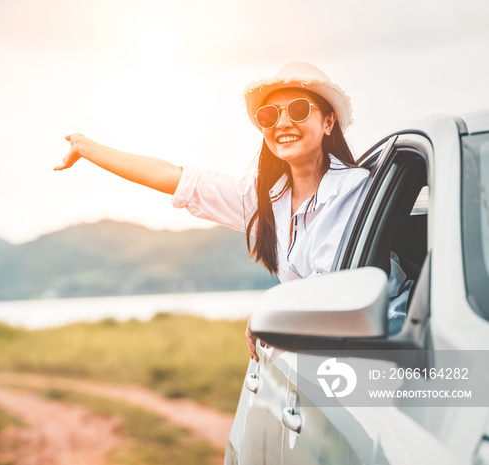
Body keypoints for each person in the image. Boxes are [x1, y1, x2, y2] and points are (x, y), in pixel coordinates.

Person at [55, 62, 376, 360]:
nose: (282, 123)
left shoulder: (352, 188)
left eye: (299, 109)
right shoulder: (266, 197)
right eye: (269, 115)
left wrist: (269, 308)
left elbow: (330, 289)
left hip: (377, 354)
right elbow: (176, 178)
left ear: (329, 121)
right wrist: (88, 148)